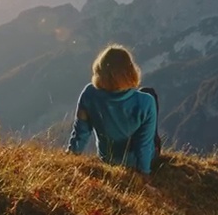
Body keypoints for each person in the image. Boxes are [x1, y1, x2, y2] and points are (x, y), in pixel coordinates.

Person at [67, 45, 158, 174]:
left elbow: (81, 132)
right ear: (130, 70)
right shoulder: (146, 101)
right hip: (134, 162)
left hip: (107, 159)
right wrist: (144, 173)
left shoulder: (89, 93)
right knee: (149, 93)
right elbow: (144, 144)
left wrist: (71, 156)